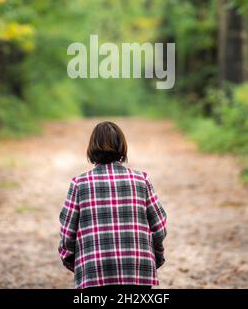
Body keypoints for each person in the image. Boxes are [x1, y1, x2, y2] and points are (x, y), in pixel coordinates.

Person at [58, 121, 167, 290]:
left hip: (94, 271)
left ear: (91, 148)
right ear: (121, 146)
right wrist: (156, 256)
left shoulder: (79, 184)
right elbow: (159, 227)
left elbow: (67, 233)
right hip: (138, 271)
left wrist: (75, 262)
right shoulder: (141, 180)